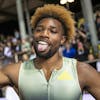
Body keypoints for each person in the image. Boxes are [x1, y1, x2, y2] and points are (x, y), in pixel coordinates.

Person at [0, 4, 100, 100]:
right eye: (39, 30)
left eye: (53, 31)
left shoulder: (81, 71)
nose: (44, 34)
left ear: (62, 39)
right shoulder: (16, 72)